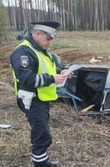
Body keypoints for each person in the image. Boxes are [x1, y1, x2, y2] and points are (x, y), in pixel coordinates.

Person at [10, 21, 73, 167]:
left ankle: (42, 161)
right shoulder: (23, 52)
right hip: (31, 99)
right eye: (48, 39)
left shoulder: (40, 50)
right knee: (43, 134)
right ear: (37, 34)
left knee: (40, 131)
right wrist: (53, 79)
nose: (50, 43)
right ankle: (40, 164)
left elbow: (46, 71)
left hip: (41, 98)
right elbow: (27, 79)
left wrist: (60, 72)